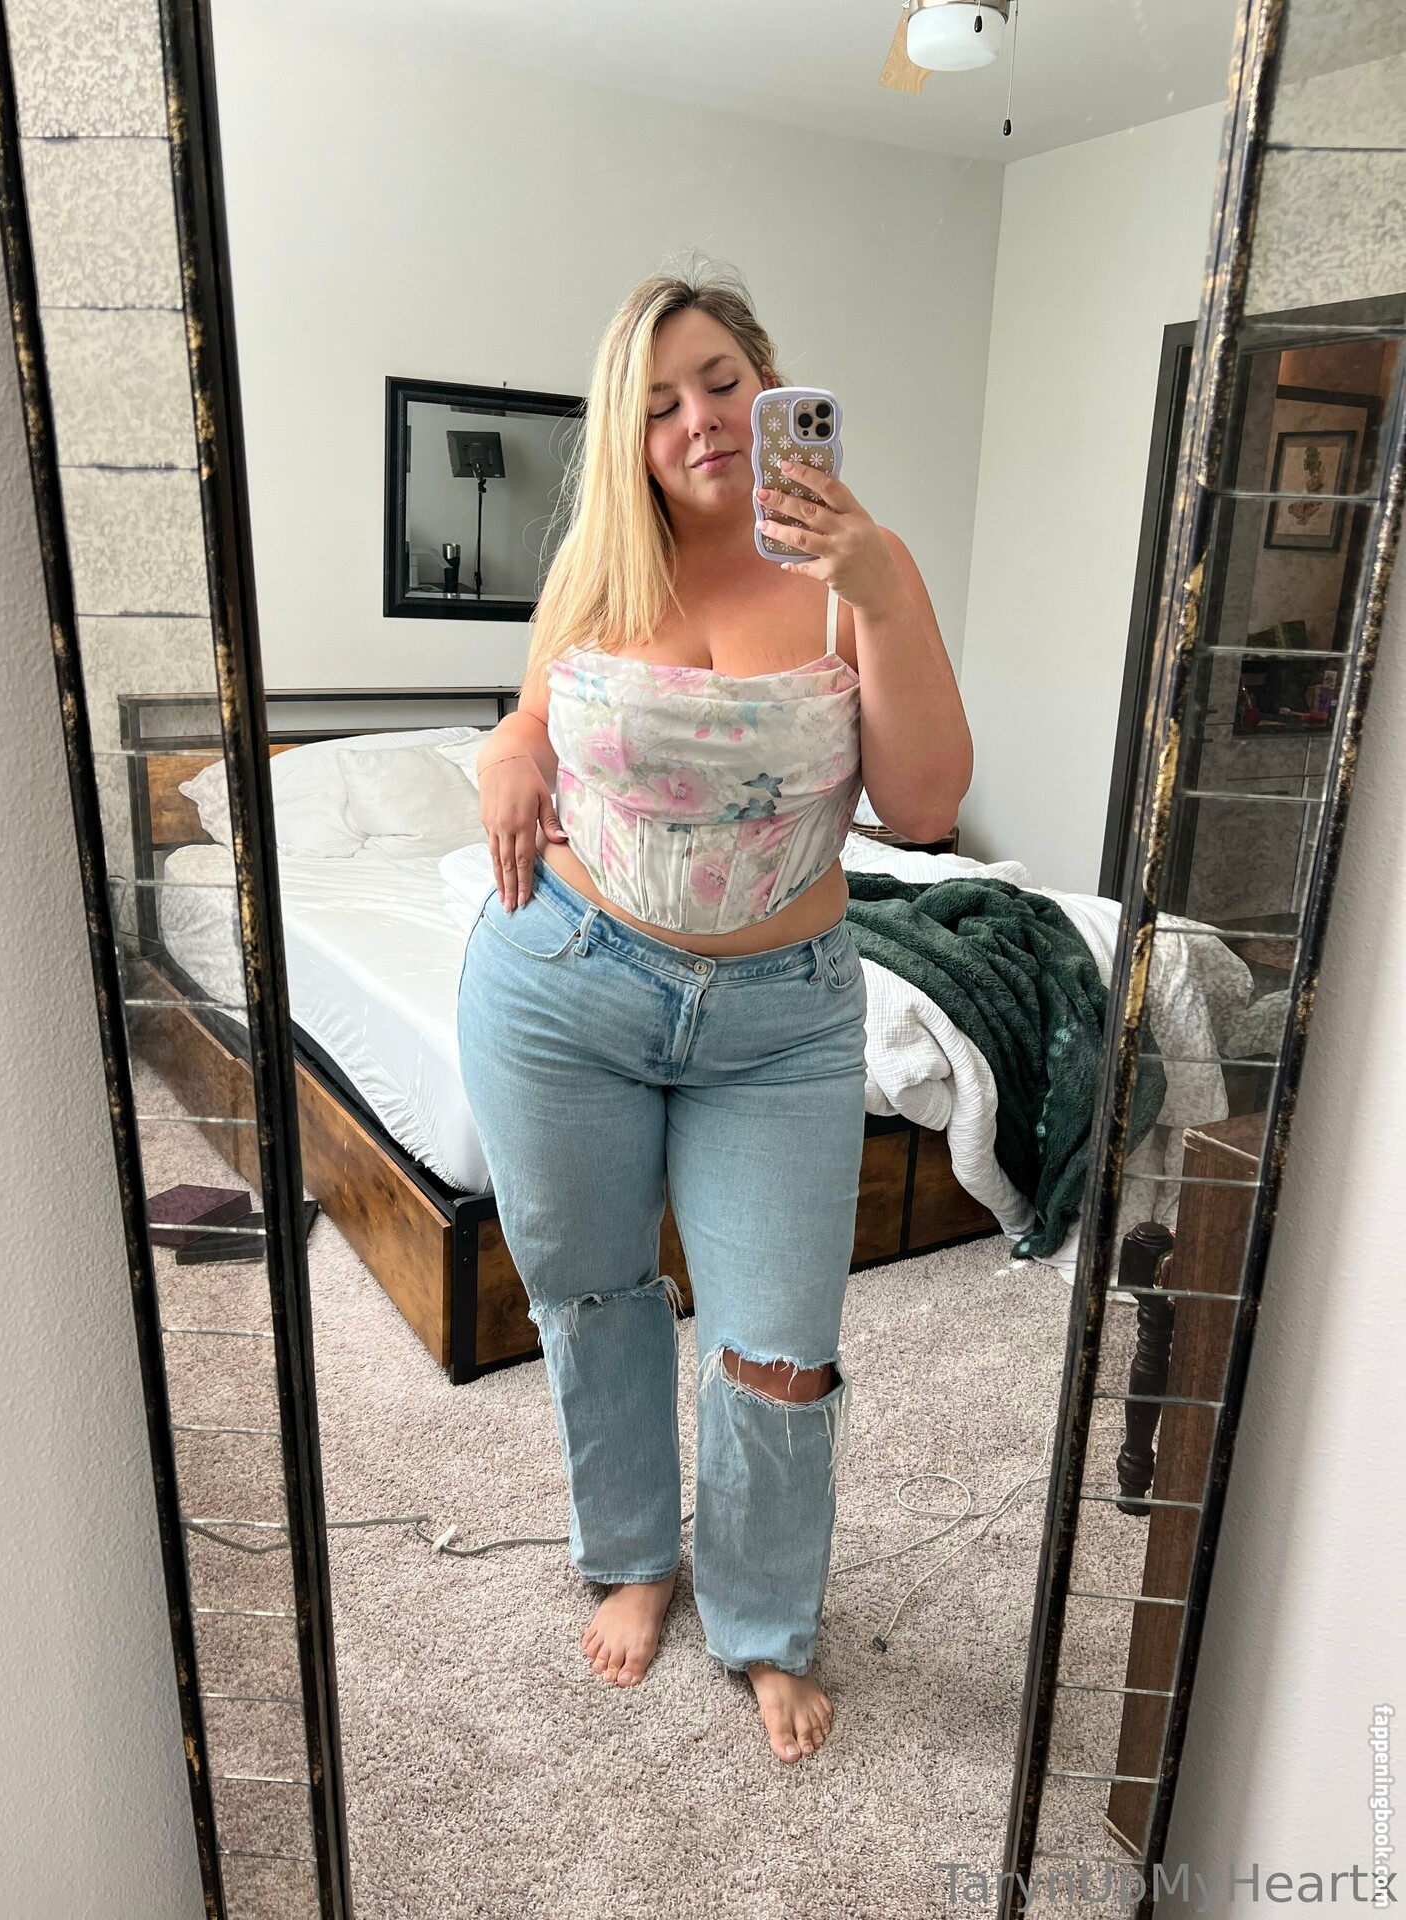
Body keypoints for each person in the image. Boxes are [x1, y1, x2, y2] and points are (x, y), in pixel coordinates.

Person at [455, 265, 971, 1764]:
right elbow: (540, 712)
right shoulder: (598, 570)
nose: (701, 419)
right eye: (661, 400)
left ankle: (762, 1619)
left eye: (725, 382)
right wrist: (504, 750)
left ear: (773, 387)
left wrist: (879, 587)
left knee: (780, 1347)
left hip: (780, 1021)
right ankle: (632, 1554)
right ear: (629, 430)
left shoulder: (861, 568)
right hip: (564, 983)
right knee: (594, 1292)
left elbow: (925, 807)